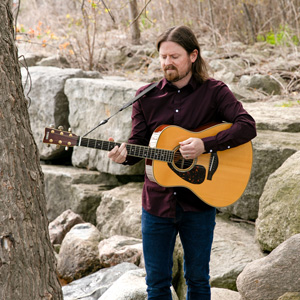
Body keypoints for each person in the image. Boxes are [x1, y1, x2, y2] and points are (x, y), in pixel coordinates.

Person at [108, 25, 256, 300]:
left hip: (199, 202)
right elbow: (138, 143)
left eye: (174, 56)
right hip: (157, 203)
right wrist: (124, 155)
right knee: (157, 284)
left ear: (192, 56)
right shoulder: (146, 96)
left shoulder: (214, 92)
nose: (167, 63)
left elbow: (247, 126)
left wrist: (205, 144)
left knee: (198, 280)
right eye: (163, 57)